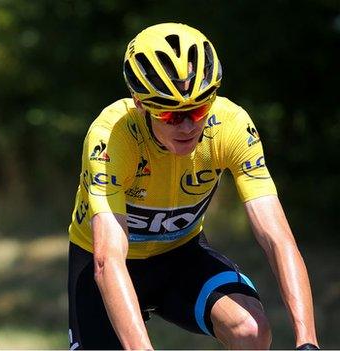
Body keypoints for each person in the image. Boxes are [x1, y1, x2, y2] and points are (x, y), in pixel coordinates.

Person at [67, 23, 319, 350]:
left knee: (250, 329)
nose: (188, 126)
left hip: (181, 255)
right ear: (141, 103)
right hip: (104, 265)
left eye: (199, 109)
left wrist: (307, 342)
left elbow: (276, 238)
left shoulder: (231, 125)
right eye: (172, 116)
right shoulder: (112, 139)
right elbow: (108, 261)